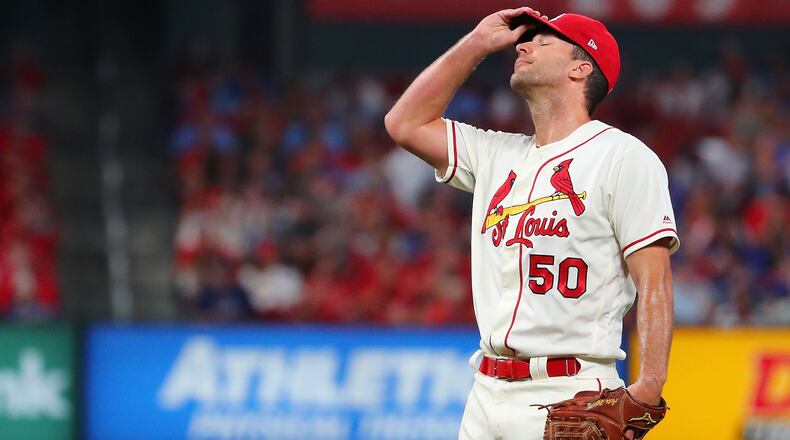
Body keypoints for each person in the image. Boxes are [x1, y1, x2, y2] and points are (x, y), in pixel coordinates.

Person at [384, 7, 679, 440]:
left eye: (543, 41)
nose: (523, 46)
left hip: (573, 390)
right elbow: (403, 123)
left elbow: (654, 281)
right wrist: (476, 44)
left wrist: (648, 389)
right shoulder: (495, 153)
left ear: (580, 68)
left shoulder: (623, 157)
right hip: (485, 392)